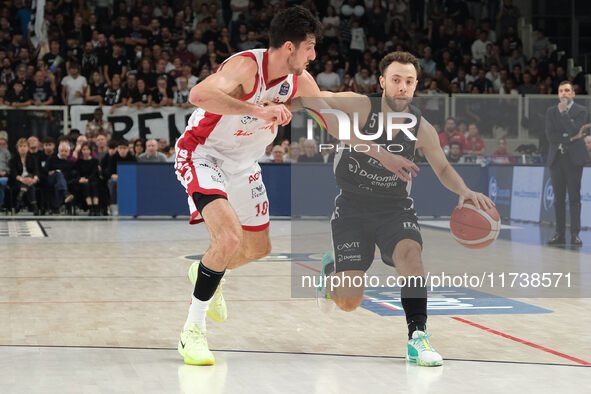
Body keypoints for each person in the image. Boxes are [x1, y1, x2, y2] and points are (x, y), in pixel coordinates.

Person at [308, 51, 494, 367]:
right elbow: (316, 96)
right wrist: (289, 93)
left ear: (416, 85)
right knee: (349, 300)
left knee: (411, 254)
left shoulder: (422, 128)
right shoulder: (359, 106)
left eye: (409, 81)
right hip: (351, 208)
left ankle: (417, 336)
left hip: (394, 208)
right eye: (396, 80)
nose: (402, 87)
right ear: (382, 82)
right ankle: (332, 271)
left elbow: (444, 169)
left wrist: (464, 190)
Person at [173, 6, 324, 366]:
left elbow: (328, 112)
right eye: (310, 47)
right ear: (290, 47)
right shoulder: (245, 67)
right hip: (202, 154)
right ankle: (192, 331)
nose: (313, 55)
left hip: (243, 166)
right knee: (227, 238)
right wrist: (258, 110)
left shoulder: (298, 81)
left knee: (258, 249)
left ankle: (207, 269)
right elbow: (198, 96)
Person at [545, 81, 589, 246]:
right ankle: (559, 233)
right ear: (558, 94)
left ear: (573, 94)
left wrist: (564, 115)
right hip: (556, 158)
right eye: (561, 91)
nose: (564, 93)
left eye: (567, 91)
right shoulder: (550, 111)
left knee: (574, 198)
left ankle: (575, 234)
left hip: (574, 159)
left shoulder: (581, 110)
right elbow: (551, 136)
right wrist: (570, 139)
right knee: (558, 199)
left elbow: (573, 129)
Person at [9, 138, 40, 214]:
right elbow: (13, 173)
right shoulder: (13, 159)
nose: (22, 148)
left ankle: (20, 196)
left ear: (28, 148)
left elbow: (36, 171)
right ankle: (34, 206)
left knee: (29, 177)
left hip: (32, 179)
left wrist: (34, 179)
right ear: (17, 148)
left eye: (24, 146)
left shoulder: (33, 158)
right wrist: (22, 179)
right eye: (20, 146)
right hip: (19, 180)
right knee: (30, 185)